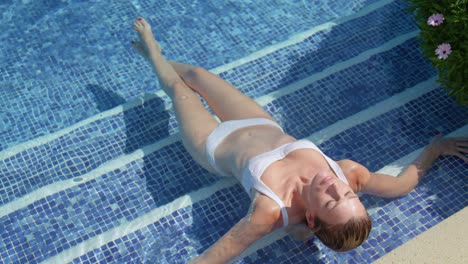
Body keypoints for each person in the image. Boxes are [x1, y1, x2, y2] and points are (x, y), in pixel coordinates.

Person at [131, 18, 468, 263]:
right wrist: (436, 149)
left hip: (213, 144)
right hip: (257, 121)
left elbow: (215, 256)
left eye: (333, 201)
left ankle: (153, 57)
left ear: (311, 217)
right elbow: (401, 185)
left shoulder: (269, 211)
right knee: (199, 76)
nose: (337, 187)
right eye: (349, 194)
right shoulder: (350, 173)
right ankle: (157, 58)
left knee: (179, 89)